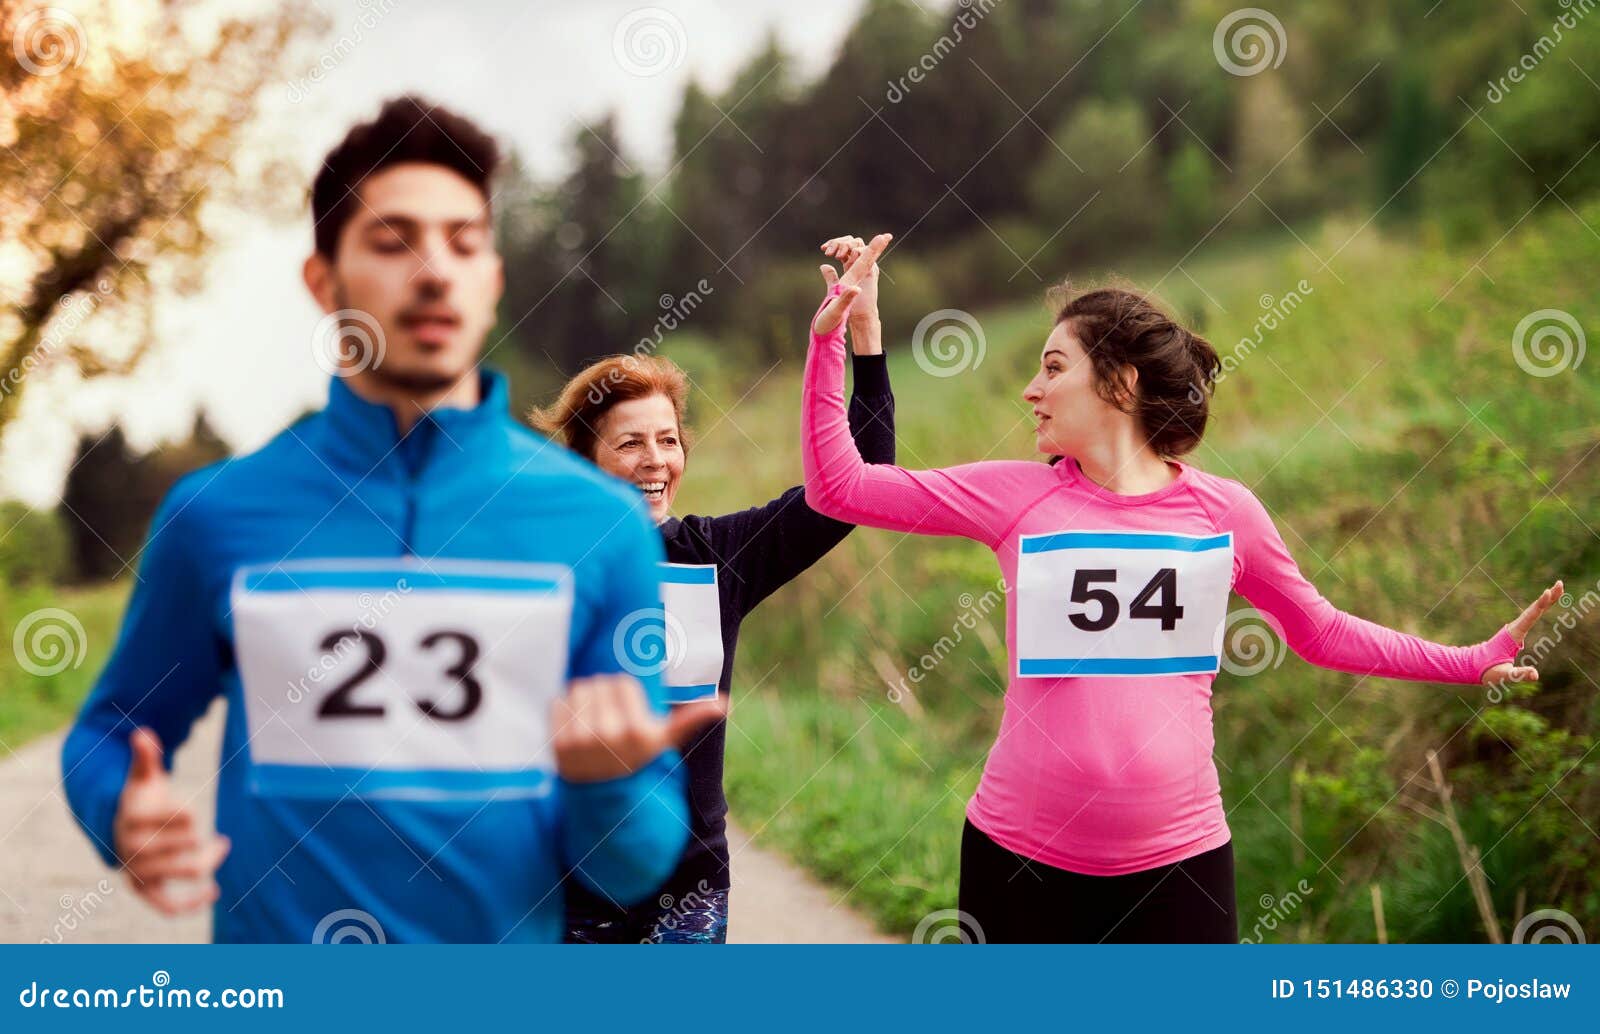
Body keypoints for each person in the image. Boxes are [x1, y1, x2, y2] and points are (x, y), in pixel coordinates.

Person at [60, 96, 720, 943]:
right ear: (321, 279)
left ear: (492, 280)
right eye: (392, 241)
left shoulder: (598, 523)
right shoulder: (215, 517)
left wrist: (610, 784)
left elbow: (631, 864)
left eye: (463, 241)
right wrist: (119, 807)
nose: (434, 270)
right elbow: (110, 730)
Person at [801, 234, 1563, 943]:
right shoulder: (1013, 498)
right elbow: (841, 488)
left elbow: (1321, 631)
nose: (1031, 390)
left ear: (1122, 383)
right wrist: (832, 339)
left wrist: (1470, 660)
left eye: (1054, 367)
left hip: (1181, 868)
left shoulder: (1224, 512)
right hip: (1018, 863)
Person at [530, 237, 897, 943]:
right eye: (630, 442)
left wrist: (865, 333)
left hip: (689, 891)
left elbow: (862, 484)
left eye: (668, 440)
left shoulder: (718, 555)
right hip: (563, 887)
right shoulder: (543, 568)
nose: (656, 461)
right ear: (583, 459)